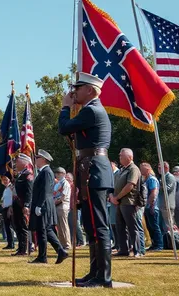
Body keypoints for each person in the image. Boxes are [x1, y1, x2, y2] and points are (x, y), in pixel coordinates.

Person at [58, 72, 113, 288]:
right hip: (89, 168)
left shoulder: (92, 110)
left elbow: (64, 127)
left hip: (94, 170)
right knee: (91, 225)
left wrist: (64, 107)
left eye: (77, 88)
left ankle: (103, 277)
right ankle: (95, 272)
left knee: (99, 225)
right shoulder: (89, 110)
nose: (73, 92)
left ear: (89, 90)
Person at [29, 150, 68, 264]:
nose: (35, 159)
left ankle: (44, 256)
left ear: (44, 159)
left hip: (44, 204)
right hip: (44, 203)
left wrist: (39, 205)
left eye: (37, 157)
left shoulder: (46, 172)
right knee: (45, 230)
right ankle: (59, 252)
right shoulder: (43, 172)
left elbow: (45, 191)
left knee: (43, 230)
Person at [109, 149, 142, 257]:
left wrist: (117, 197)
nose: (120, 157)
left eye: (122, 156)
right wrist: (112, 197)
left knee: (132, 227)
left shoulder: (133, 169)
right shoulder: (123, 169)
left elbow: (130, 185)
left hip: (129, 202)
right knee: (120, 227)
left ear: (129, 157)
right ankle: (124, 250)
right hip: (119, 202)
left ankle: (138, 251)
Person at [11, 154, 34, 256]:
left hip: (22, 204)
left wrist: (26, 205)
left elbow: (29, 192)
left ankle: (24, 249)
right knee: (18, 226)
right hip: (17, 203)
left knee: (23, 226)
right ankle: (20, 247)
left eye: (18, 161)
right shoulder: (20, 174)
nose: (15, 163)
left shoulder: (28, 175)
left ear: (25, 163)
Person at [141, 163, 163, 252]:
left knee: (154, 226)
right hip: (147, 206)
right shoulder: (146, 179)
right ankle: (154, 244)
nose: (141, 171)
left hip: (152, 206)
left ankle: (159, 245)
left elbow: (154, 192)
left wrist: (150, 204)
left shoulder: (152, 179)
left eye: (142, 169)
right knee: (150, 226)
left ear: (147, 170)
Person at [53, 167, 71, 250]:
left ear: (63, 174)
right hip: (56, 205)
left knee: (64, 225)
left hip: (62, 205)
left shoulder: (65, 183)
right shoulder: (58, 183)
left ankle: (67, 243)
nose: (57, 174)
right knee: (59, 226)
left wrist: (54, 202)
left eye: (59, 173)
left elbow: (63, 197)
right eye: (56, 172)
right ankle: (62, 243)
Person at [0, 175, 15, 250]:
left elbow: (13, 196)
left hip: (10, 208)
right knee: (7, 227)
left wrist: (11, 207)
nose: (5, 181)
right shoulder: (5, 189)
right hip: (5, 208)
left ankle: (12, 243)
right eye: (3, 180)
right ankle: (10, 243)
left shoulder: (11, 187)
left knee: (11, 226)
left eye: (6, 179)